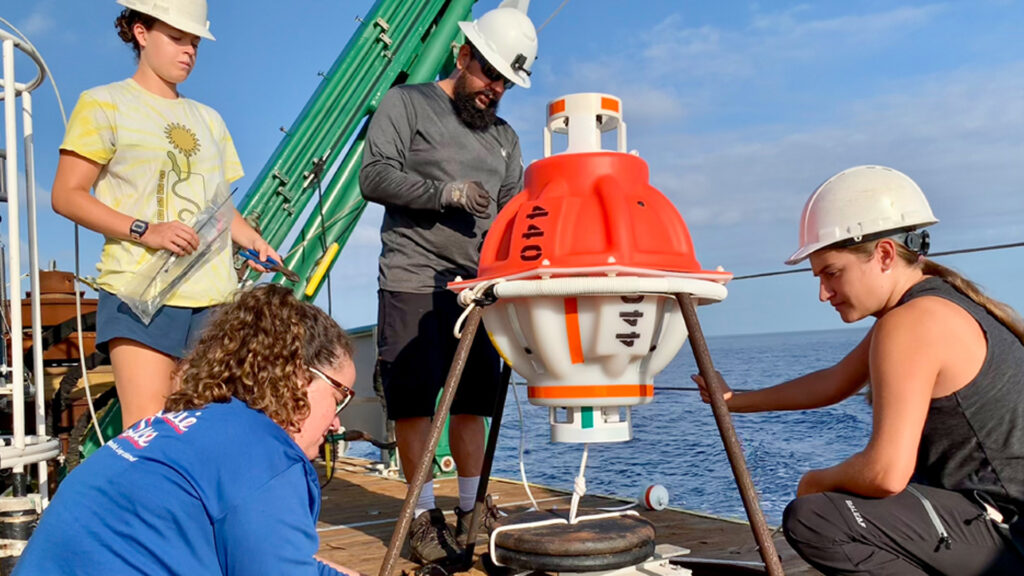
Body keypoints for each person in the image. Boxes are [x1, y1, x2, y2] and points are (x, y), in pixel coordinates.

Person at [695, 165, 1024, 575]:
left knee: (816, 519)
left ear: (884, 254)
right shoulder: (934, 305)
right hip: (1000, 525)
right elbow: (835, 381)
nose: (823, 293)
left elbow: (886, 472)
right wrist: (733, 401)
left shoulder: (911, 322)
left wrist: (816, 480)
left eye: (832, 273)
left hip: (1008, 535)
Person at [358, 5, 538, 567]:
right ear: (463, 55)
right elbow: (374, 175)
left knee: (472, 406)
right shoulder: (406, 103)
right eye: (489, 76)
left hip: (475, 291)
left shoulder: (506, 139)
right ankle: (420, 517)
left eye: (505, 83)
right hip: (412, 279)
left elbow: (512, 215)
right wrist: (446, 194)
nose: (495, 90)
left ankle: (471, 508)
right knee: (414, 406)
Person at [14, 284, 359, 575]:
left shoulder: (187, 427)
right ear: (299, 376)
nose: (336, 422)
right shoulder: (264, 454)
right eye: (339, 396)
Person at [51, 0, 279, 430]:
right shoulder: (104, 104)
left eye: (194, 42)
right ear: (141, 32)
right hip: (140, 295)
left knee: (210, 432)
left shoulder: (209, 120)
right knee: (151, 434)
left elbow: (220, 208)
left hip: (215, 299)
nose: (188, 50)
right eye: (177, 38)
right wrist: (146, 230)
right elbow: (66, 195)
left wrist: (253, 240)